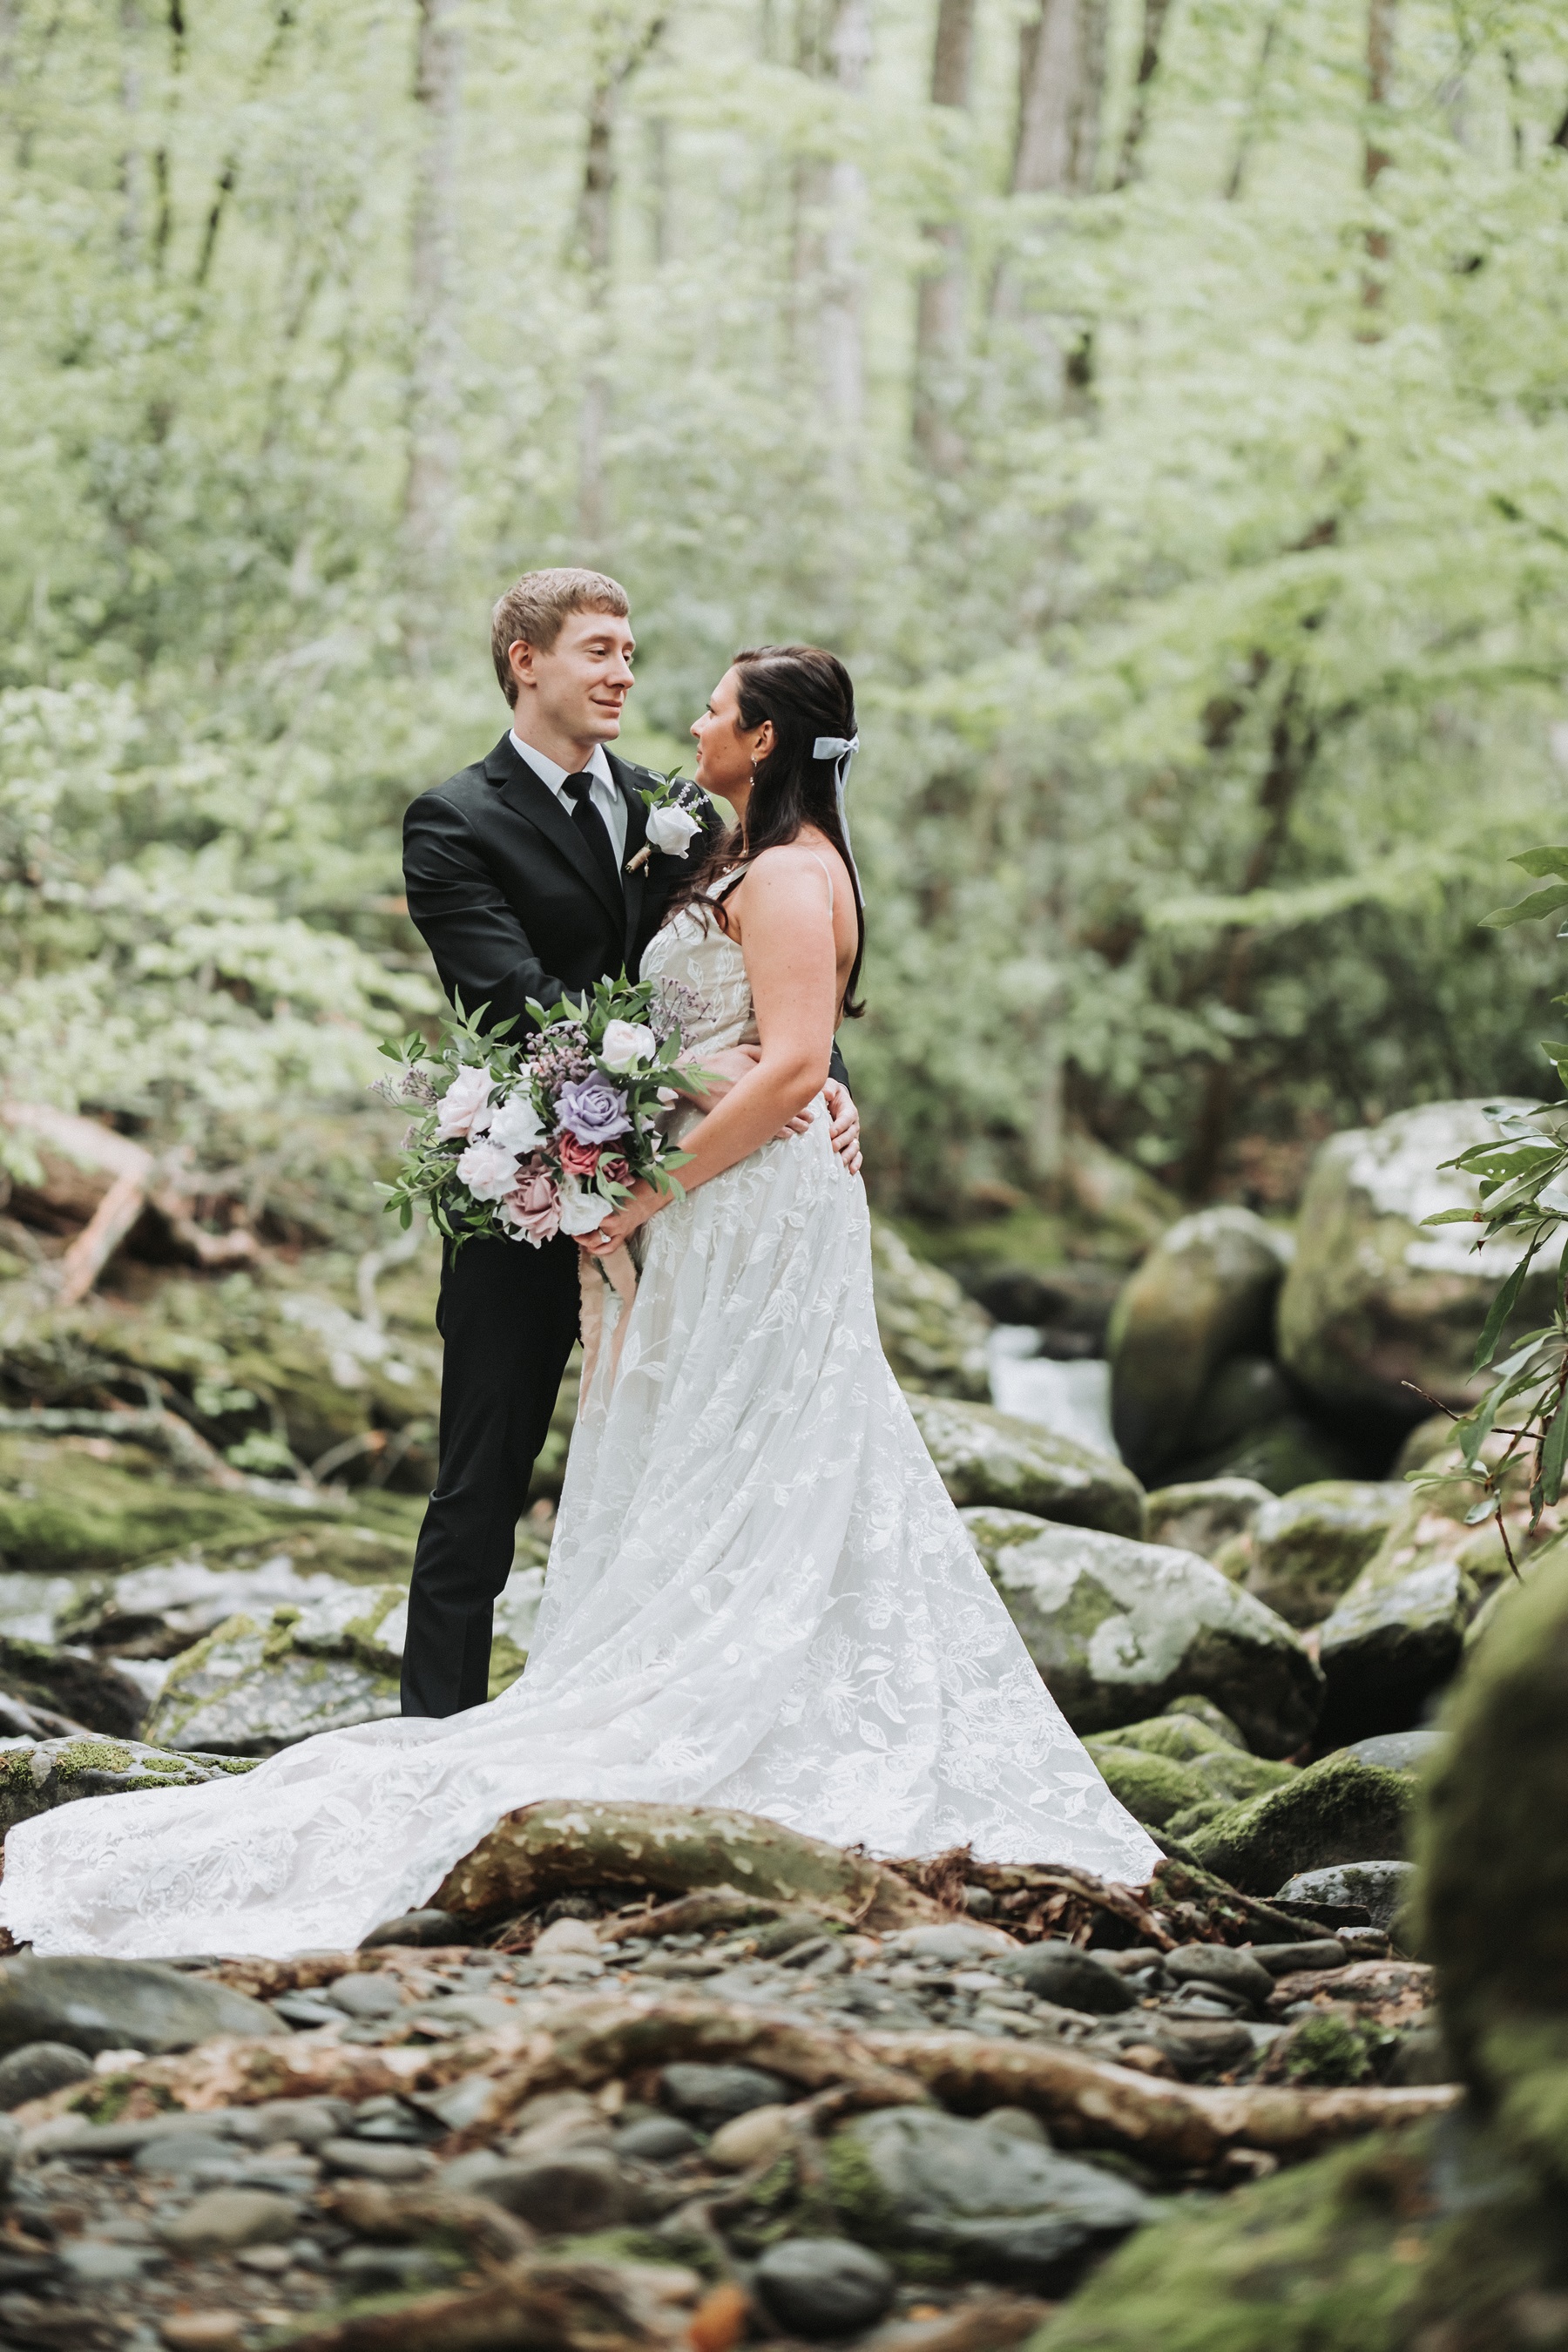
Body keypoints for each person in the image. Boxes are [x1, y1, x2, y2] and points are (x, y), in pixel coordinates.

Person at [0, 644, 1159, 1960]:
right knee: (642, 1454)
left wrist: (673, 1169)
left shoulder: (779, 868)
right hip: (688, 1195)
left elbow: (789, 1059)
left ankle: (760, 1696)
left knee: (778, 1447)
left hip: (738, 1210)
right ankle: (530, 1697)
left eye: (715, 709)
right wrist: (711, 1101)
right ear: (527, 661)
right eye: (613, 654)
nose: (684, 714)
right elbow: (657, 1022)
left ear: (766, 740)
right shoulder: (683, 846)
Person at [398, 568, 861, 1718]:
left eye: (633, 652)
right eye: (601, 651)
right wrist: (687, 1075)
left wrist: (825, 1080)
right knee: (482, 1480)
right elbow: (515, 997)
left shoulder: (687, 806)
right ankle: (434, 1739)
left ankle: (670, 1710)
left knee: (675, 1461)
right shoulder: (452, 821)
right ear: (527, 662)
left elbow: (760, 976)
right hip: (529, 1183)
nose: (626, 674)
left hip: (695, 1208)